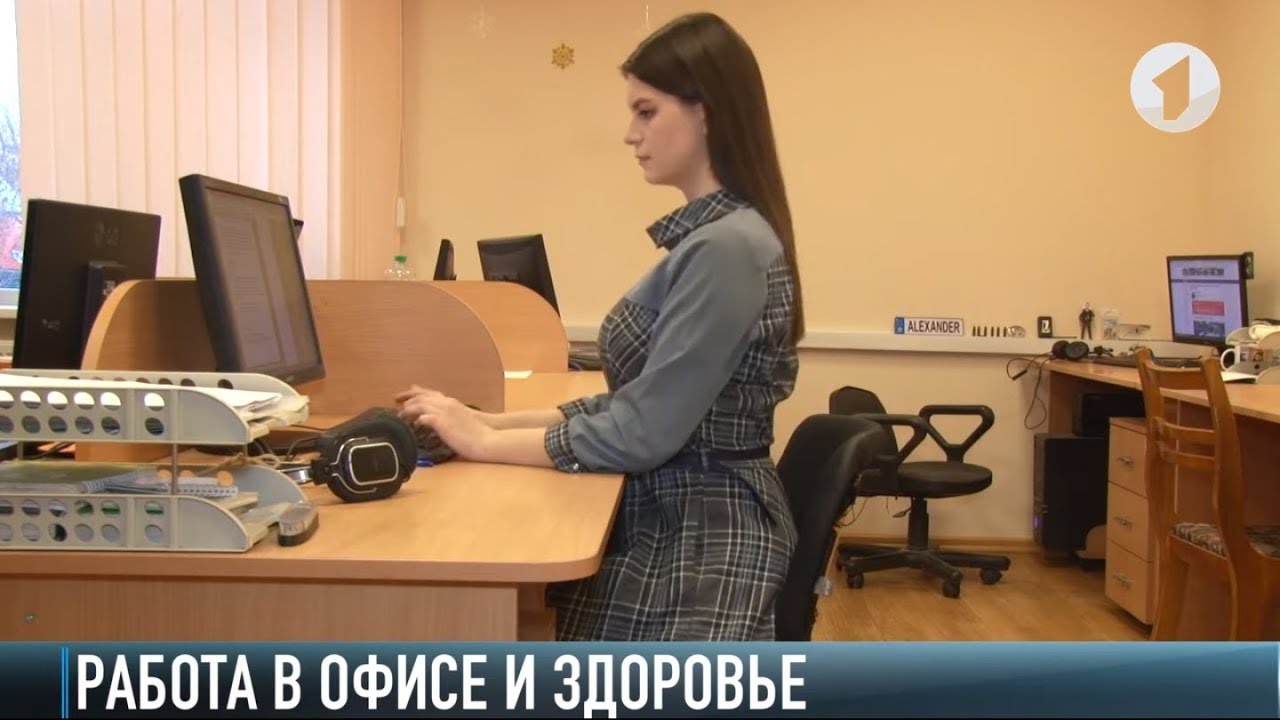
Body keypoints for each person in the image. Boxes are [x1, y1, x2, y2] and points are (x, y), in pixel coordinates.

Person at [395, 11, 805, 641]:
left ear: (706, 112)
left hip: (701, 537)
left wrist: (482, 443)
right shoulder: (718, 239)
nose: (630, 134)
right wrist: (488, 423)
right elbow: (637, 404)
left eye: (647, 112)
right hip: (688, 513)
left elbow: (642, 433)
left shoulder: (726, 248)